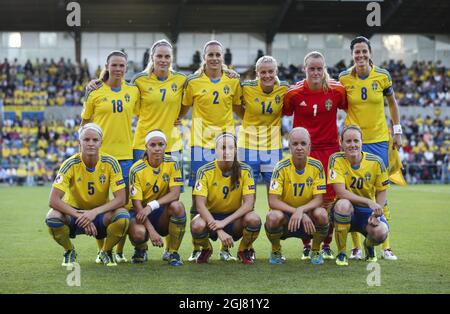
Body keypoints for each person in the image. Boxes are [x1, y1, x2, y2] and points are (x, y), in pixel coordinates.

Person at [179, 40, 242, 262]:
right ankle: (199, 245)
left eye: (218, 54)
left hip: (226, 144)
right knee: (198, 198)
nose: (214, 58)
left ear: (222, 57)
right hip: (200, 145)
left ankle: (227, 244)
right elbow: (184, 107)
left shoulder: (232, 80)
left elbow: (239, 108)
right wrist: (176, 120)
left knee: (231, 192)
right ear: (204, 57)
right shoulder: (193, 81)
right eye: (210, 54)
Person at [339, 36, 401, 261]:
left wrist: (398, 131)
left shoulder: (383, 76)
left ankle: (386, 246)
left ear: (370, 53)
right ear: (352, 54)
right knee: (352, 191)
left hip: (377, 141)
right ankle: (356, 247)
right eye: (357, 52)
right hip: (353, 141)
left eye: (364, 51)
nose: (361, 56)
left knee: (380, 191)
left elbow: (393, 104)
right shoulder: (344, 78)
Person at [283, 51, 347, 260]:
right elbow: (281, 112)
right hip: (304, 152)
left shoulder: (337, 90)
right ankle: (306, 244)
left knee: (328, 201)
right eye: (312, 68)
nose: (316, 72)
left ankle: (325, 244)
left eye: (319, 68)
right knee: (307, 197)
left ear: (324, 69)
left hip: (330, 151)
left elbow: (352, 108)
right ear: (305, 69)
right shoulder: (294, 93)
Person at [81, 50, 140, 263]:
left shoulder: (133, 91)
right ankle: (102, 250)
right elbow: (85, 123)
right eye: (114, 65)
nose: (117, 69)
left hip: (125, 157)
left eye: (121, 65)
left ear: (126, 68)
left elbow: (147, 113)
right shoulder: (95, 92)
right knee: (100, 204)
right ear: (107, 66)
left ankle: (119, 251)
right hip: (100, 157)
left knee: (121, 206)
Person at [45, 123, 129, 267]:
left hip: (100, 214)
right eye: (86, 140)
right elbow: (53, 200)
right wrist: (81, 215)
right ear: (79, 142)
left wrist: (93, 213)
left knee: (123, 217)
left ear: (101, 142)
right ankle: (69, 250)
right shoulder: (69, 164)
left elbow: (121, 199)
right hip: (74, 214)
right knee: (52, 218)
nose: (91, 143)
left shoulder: (111, 162)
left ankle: (106, 251)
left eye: (95, 140)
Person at [190, 132, 261, 264]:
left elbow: (249, 204)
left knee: (254, 219)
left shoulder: (246, 170)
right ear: (215, 150)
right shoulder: (204, 171)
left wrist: (224, 222)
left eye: (230, 147)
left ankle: (243, 250)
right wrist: (219, 229)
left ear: (235, 150)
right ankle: (206, 249)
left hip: (234, 219)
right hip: (210, 218)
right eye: (222, 147)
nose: (226, 151)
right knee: (196, 225)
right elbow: (200, 205)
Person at [266, 127, 329, 265]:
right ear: (289, 147)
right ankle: (276, 250)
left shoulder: (317, 166)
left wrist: (302, 211)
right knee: (272, 217)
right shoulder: (280, 167)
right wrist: (297, 211)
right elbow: (273, 201)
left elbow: (319, 199)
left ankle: (316, 250)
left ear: (309, 146)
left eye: (303, 143)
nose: (299, 148)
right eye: (295, 144)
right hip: (286, 217)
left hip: (309, 215)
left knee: (322, 214)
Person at [328, 125, 390, 266]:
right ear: (341, 143)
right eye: (348, 141)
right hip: (343, 211)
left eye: (356, 141)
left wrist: (377, 213)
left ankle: (368, 246)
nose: (352, 145)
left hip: (367, 214)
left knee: (381, 232)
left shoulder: (376, 162)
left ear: (362, 141)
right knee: (343, 204)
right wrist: (369, 202)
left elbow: (382, 191)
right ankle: (342, 252)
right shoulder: (335, 159)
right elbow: (341, 192)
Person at [128, 130, 186, 266]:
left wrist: (151, 206)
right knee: (138, 234)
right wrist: (152, 231)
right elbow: (137, 205)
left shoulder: (173, 163)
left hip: (161, 214)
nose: (157, 148)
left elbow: (175, 194)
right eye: (152, 145)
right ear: (146, 147)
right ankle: (141, 249)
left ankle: (173, 252)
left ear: (166, 146)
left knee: (178, 206)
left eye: (161, 144)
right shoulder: (136, 169)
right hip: (140, 214)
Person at [238, 55, 289, 188]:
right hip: (248, 145)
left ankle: (274, 210)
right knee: (248, 189)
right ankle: (249, 210)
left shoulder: (284, 88)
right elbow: (234, 104)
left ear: (276, 72)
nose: (267, 75)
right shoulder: (247, 87)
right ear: (257, 73)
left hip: (272, 146)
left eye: (271, 71)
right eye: (263, 72)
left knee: (274, 189)